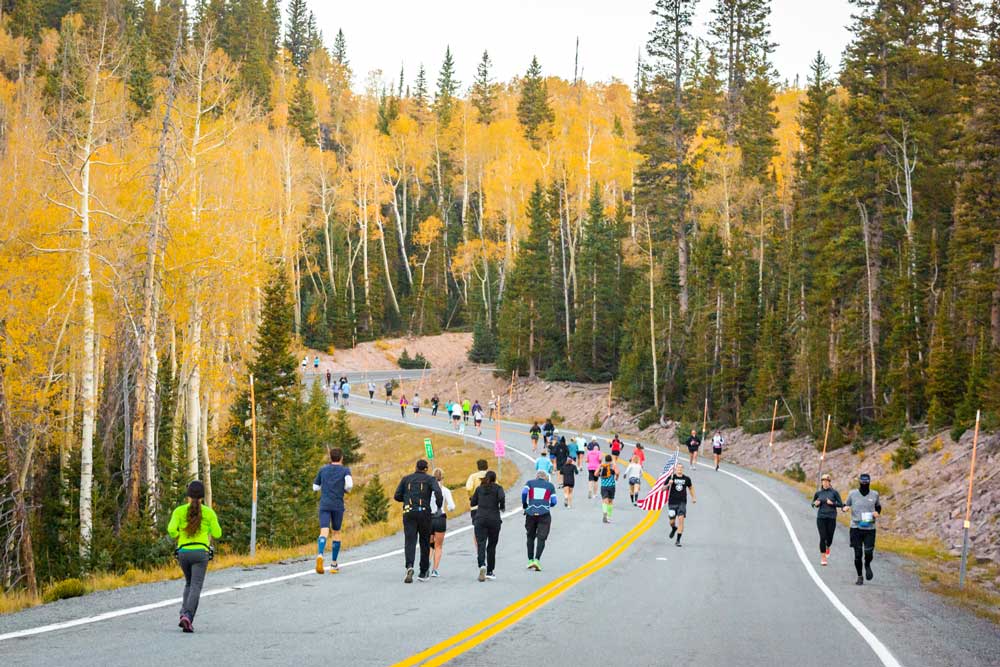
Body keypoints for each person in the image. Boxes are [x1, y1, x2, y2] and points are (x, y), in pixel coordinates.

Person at [167, 480, 221, 633]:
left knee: (189, 583)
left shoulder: (179, 511)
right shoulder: (208, 513)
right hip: (200, 553)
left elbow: (171, 530)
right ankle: (187, 616)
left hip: (183, 552)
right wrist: (207, 530)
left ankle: (183, 613)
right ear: (202, 497)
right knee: (196, 585)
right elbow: (218, 533)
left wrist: (179, 536)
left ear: (188, 496)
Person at [393, 460, 443, 583]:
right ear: (426, 469)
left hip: (409, 512)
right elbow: (438, 492)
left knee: (410, 540)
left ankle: (409, 566)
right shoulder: (430, 479)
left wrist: (406, 499)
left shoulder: (406, 479)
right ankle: (423, 571)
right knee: (424, 541)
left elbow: (396, 496)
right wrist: (439, 506)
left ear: (416, 467)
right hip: (424, 512)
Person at [313, 448, 353, 574]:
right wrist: (345, 490)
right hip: (337, 505)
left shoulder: (323, 469)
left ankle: (320, 554)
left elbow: (315, 487)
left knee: (324, 531)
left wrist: (325, 487)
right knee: (336, 532)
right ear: (341, 458)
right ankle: (334, 564)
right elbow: (349, 485)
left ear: (330, 457)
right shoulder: (345, 470)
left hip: (325, 504)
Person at [843, 473, 882, 585]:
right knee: (858, 554)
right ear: (859, 482)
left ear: (869, 482)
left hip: (870, 528)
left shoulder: (874, 494)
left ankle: (867, 564)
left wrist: (877, 512)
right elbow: (845, 505)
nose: (864, 483)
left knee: (868, 552)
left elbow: (878, 506)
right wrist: (845, 508)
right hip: (856, 527)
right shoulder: (852, 493)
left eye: (866, 482)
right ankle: (860, 576)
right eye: (863, 481)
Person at [471, 470, 505, 581]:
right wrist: (502, 506)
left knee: (481, 543)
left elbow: (473, 503)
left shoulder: (479, 489)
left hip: (480, 518)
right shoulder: (498, 488)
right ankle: (490, 571)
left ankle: (482, 565)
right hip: (494, 519)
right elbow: (501, 497)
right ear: (495, 479)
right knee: (492, 545)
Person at [522, 470, 557, 571]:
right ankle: (537, 560)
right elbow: (554, 501)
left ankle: (530, 560)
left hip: (530, 513)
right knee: (541, 538)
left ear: (536, 477)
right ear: (546, 478)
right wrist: (549, 505)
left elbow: (524, 492)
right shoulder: (550, 486)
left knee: (530, 536)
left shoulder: (529, 483)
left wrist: (525, 504)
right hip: (544, 514)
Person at [429, 468, 456, 577]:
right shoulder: (445, 490)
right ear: (442, 478)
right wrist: (448, 508)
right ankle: (435, 570)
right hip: (440, 518)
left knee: (429, 544)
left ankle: (426, 564)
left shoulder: (428, 490)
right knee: (438, 546)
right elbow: (452, 506)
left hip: (429, 518)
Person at [813, 473, 843, 567]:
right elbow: (813, 503)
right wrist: (816, 504)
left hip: (831, 518)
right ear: (821, 482)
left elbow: (841, 504)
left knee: (829, 538)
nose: (825, 483)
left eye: (827, 481)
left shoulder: (834, 492)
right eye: (823, 481)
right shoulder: (818, 493)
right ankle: (823, 557)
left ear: (829, 482)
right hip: (821, 518)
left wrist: (832, 503)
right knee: (822, 537)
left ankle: (828, 546)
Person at [666, 463, 696, 546]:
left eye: (681, 468)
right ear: (675, 469)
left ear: (683, 469)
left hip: (682, 502)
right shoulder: (671, 477)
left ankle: (678, 540)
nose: (679, 469)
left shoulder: (686, 479)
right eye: (678, 467)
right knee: (672, 521)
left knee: (681, 520)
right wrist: (669, 484)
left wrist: (693, 497)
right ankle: (673, 528)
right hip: (672, 502)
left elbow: (690, 488)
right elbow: (663, 489)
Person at [465, 460, 489, 546]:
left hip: (476, 507)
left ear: (478, 467)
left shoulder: (473, 476)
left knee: (477, 529)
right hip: (489, 506)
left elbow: (468, 488)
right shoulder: (490, 475)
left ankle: (479, 549)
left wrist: (471, 496)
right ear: (487, 466)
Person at [597, 455, 617, 523]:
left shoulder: (602, 466)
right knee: (610, 502)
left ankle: (604, 513)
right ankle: (608, 517)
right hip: (611, 486)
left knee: (604, 501)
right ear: (611, 460)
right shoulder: (613, 466)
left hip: (603, 486)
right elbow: (617, 472)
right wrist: (616, 477)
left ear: (605, 460)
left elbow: (595, 474)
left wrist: (599, 466)